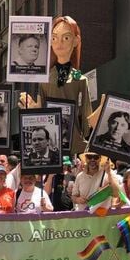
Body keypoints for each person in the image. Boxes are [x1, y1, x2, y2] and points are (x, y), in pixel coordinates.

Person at [18, 16, 92, 156]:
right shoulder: (44, 79)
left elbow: (86, 118)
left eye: (66, 38)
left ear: (76, 41)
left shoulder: (81, 79)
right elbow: (40, 112)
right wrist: (33, 110)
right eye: (54, 38)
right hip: (51, 143)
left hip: (74, 146)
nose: (59, 43)